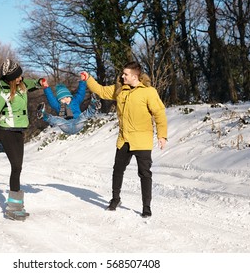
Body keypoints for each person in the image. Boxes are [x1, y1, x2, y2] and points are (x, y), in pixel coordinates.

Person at [82, 61, 168, 218]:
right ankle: (115, 199)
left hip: (142, 139)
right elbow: (100, 90)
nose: (122, 76)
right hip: (124, 139)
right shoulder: (119, 90)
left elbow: (159, 114)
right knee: (118, 169)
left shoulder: (149, 92)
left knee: (144, 173)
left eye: (125, 74)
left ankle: (146, 207)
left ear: (135, 76)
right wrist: (88, 78)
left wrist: (161, 136)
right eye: (123, 74)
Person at [0, 59, 42, 221]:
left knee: (19, 167)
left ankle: (17, 205)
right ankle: (13, 207)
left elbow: (32, 83)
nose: (21, 78)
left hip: (19, 132)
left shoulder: (22, 86)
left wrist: (40, 82)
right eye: (18, 77)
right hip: (6, 131)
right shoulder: (2, 94)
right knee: (15, 166)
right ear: (11, 79)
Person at [37, 74, 101, 135]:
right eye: (62, 99)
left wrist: (83, 81)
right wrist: (46, 87)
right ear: (59, 100)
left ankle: (94, 105)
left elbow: (80, 93)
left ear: (70, 97)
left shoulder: (75, 101)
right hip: (66, 125)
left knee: (84, 115)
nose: (66, 99)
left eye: (67, 97)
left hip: (78, 123)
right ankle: (43, 115)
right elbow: (51, 98)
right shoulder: (57, 105)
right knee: (58, 120)